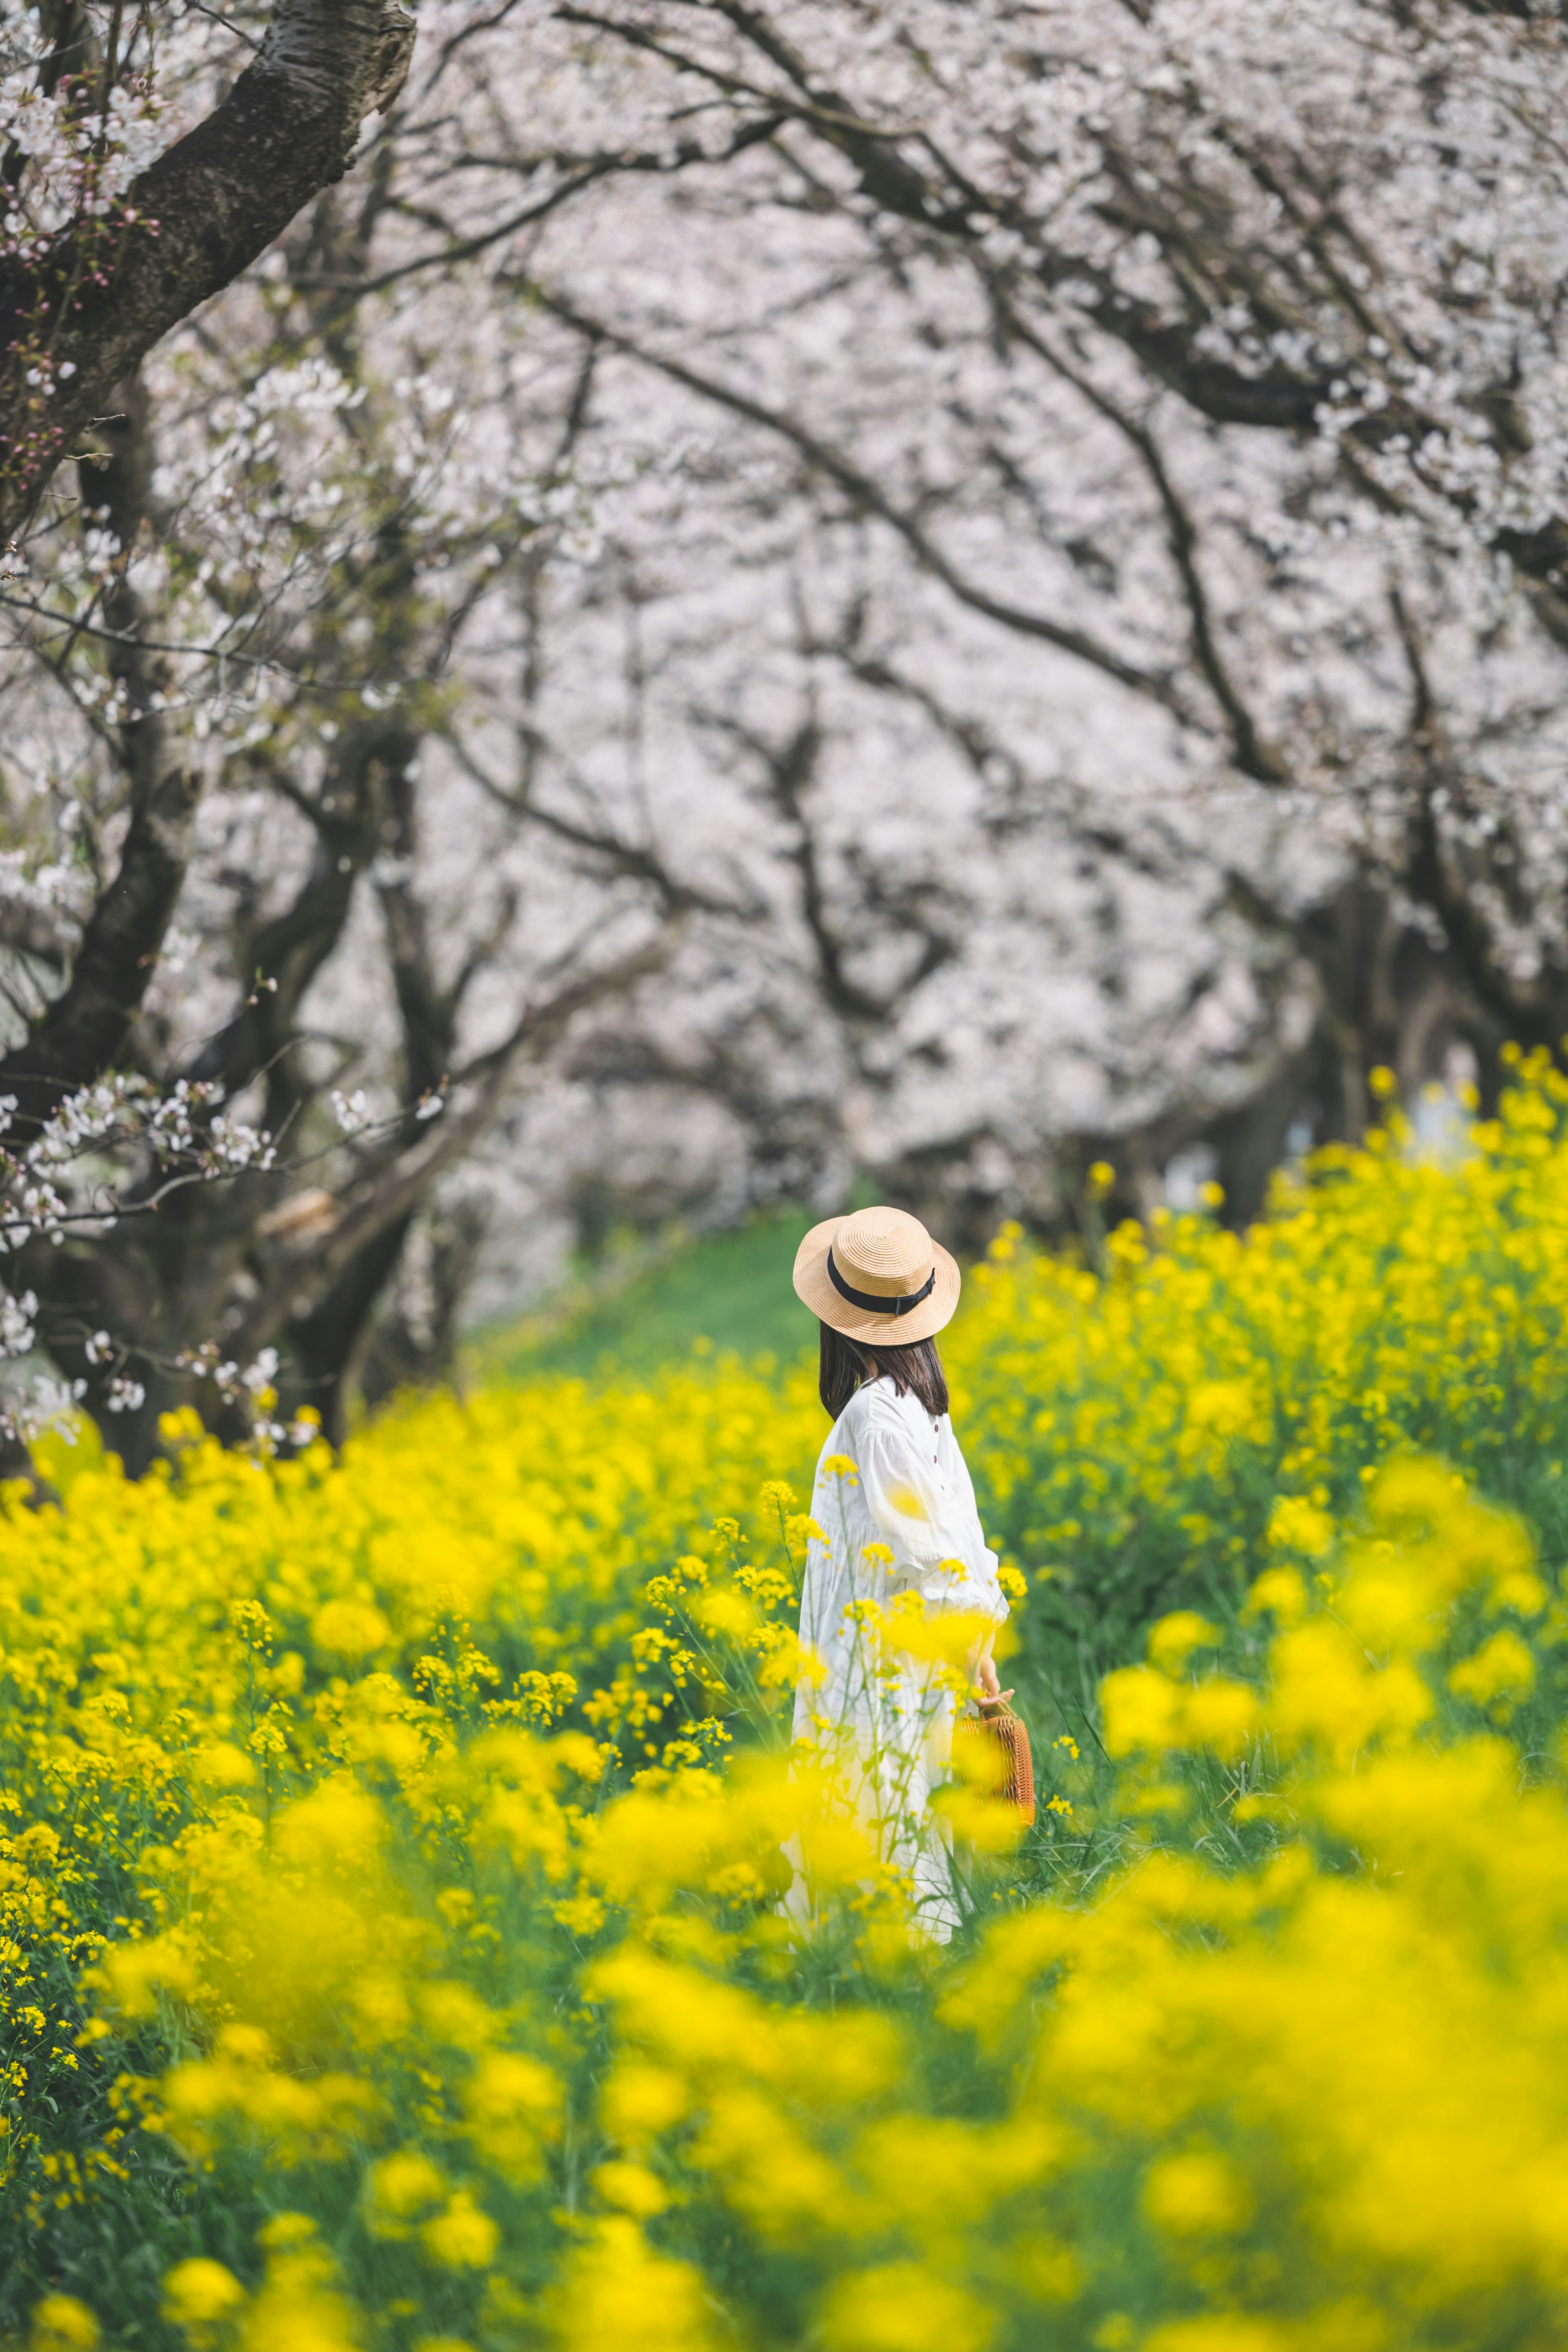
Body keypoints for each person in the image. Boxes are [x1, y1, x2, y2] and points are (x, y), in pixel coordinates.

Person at [788, 1203, 1010, 1941]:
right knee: (902, 1817)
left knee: (878, 1816)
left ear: (836, 1322)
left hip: (876, 1662)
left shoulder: (875, 1420)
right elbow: (963, 1546)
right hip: (909, 1657)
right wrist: (978, 1653)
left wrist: (970, 1650)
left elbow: (935, 1556)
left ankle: (894, 1974)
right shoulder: (922, 1410)